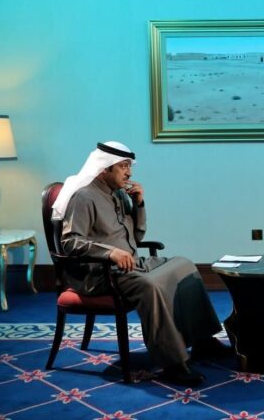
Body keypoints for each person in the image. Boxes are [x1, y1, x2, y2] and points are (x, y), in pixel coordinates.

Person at [51, 141, 231, 387]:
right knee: (150, 286)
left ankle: (202, 342)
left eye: (129, 166)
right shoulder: (84, 197)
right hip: (100, 273)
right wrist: (110, 252)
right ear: (104, 168)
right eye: (123, 166)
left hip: (130, 263)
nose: (129, 173)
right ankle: (173, 363)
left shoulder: (117, 194)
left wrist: (139, 204)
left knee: (184, 266)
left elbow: (136, 237)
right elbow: (70, 242)